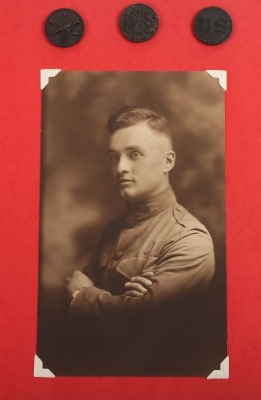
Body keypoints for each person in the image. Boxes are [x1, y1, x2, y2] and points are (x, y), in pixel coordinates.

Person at [65, 105, 215, 376]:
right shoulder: (114, 229)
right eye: (113, 157)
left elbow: (135, 319)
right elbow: (82, 288)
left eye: (134, 154)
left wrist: (81, 296)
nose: (120, 168)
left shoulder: (190, 240)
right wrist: (120, 301)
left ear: (168, 161)